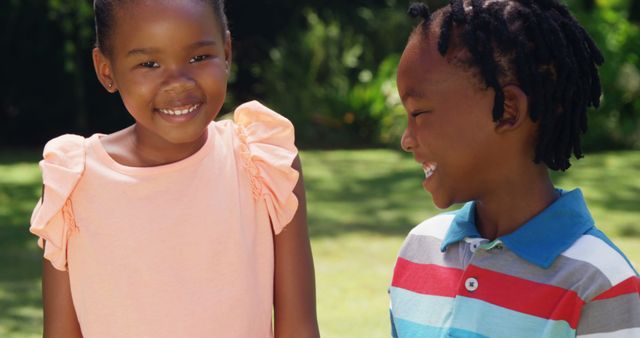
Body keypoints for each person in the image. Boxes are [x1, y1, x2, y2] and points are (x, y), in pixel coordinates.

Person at [29, 1, 320, 337]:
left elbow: (298, 327)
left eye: (198, 58)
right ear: (106, 70)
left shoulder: (264, 162)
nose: (178, 82)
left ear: (226, 52)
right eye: (149, 63)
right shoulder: (72, 181)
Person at [389, 0, 640, 337]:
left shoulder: (598, 282)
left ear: (506, 110)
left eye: (419, 114)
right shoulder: (419, 250)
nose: (406, 140)